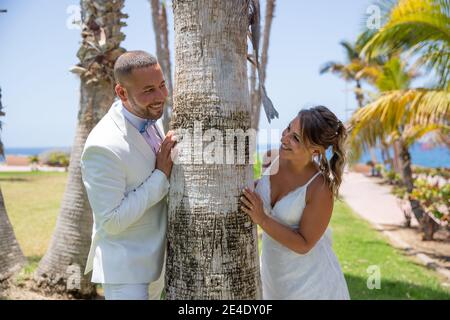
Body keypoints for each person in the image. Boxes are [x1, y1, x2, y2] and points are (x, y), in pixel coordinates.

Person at [81, 51, 176, 300]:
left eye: (162, 85)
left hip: (157, 266)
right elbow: (110, 221)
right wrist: (161, 176)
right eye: (148, 90)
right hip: (126, 272)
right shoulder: (102, 145)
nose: (160, 97)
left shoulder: (152, 118)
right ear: (122, 93)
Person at [240, 105, 350, 299]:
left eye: (296, 138)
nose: (285, 138)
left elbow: (304, 243)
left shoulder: (320, 188)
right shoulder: (274, 159)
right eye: (289, 128)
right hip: (272, 276)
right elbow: (262, 189)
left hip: (309, 285)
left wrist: (262, 219)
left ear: (315, 150)